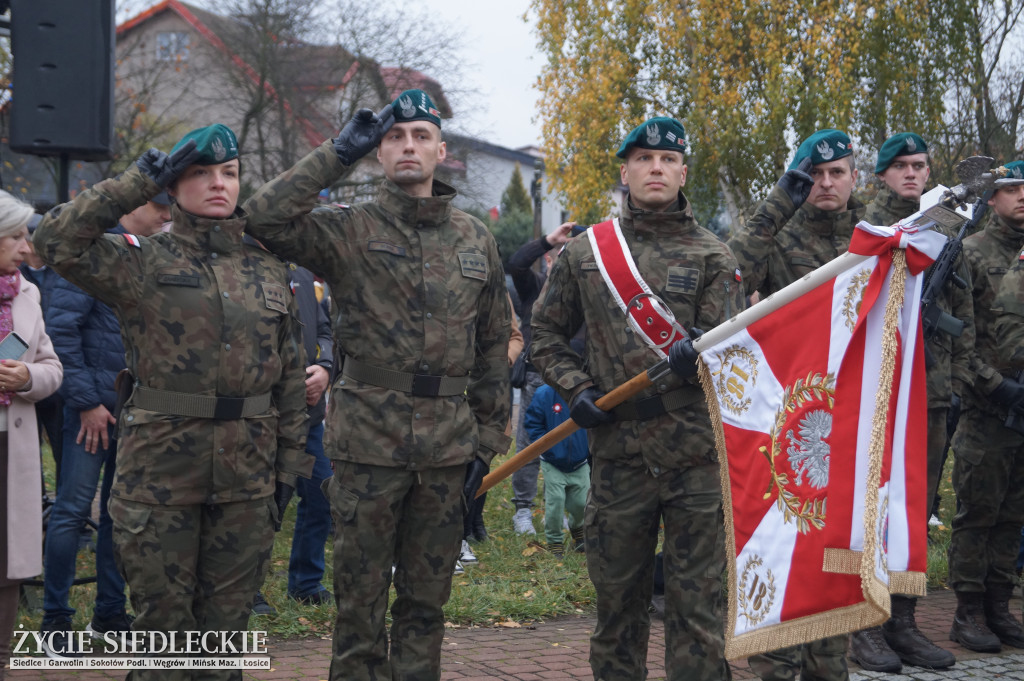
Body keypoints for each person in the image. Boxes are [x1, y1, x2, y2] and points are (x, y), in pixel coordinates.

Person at [242, 90, 511, 681]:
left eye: (420, 136)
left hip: (446, 450)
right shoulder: (348, 229)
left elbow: (494, 346)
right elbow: (262, 217)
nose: (407, 146)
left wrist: (486, 443)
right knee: (358, 608)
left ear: (442, 151)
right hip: (367, 449)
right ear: (378, 153)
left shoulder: (474, 238)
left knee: (426, 604)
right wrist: (336, 152)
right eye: (395, 137)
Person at [34, 123, 312, 676]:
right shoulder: (140, 260)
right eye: (200, 174)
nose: (218, 184)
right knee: (162, 637)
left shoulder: (266, 267)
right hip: (160, 477)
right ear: (172, 186)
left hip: (247, 478)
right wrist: (139, 180)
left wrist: (288, 469)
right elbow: (54, 242)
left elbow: (288, 379)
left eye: (228, 174)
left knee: (225, 640)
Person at [531, 116, 743, 680]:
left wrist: (703, 357)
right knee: (618, 609)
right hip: (619, 455)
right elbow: (544, 336)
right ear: (625, 172)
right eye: (644, 158)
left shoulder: (713, 255)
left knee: (698, 611)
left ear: (683, 172)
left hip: (696, 458)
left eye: (668, 159)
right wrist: (575, 390)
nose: (656, 167)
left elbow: (736, 359)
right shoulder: (587, 253)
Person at [728, 128, 864, 681]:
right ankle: (776, 666)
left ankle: (832, 667)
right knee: (784, 549)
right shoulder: (778, 238)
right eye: (815, 175)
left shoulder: (874, 238)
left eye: (837, 173)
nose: (827, 183)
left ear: (856, 178)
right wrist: (778, 204)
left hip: (852, 422)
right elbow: (731, 277)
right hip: (786, 423)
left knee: (838, 557)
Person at [848, 133, 964, 672]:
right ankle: (865, 625)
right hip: (875, 397)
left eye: (920, 165)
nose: (912, 174)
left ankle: (904, 623)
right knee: (870, 512)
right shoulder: (869, 232)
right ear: (881, 175)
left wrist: (957, 381)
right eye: (901, 167)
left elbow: (966, 319)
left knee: (915, 512)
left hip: (931, 394)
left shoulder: (943, 230)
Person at [38, 192, 171, 654]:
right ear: (132, 207)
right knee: (73, 511)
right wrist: (87, 402)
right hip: (90, 414)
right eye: (160, 207)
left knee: (120, 514)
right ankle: (55, 623)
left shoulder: (146, 257)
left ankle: (109, 617)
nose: (167, 217)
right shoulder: (93, 255)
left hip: (133, 411)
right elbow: (60, 332)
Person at [947, 159, 1024, 653]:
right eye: (1012, 189)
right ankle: (968, 612)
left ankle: (1000, 605)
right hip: (988, 409)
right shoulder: (971, 252)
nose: (1022, 197)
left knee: (1014, 514)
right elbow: (961, 338)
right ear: (992, 198)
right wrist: (996, 387)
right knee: (977, 513)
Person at [0, 191, 64, 679]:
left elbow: (51, 368)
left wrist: (28, 380)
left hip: (12, 447)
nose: (27, 248)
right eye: (18, 236)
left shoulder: (28, 293)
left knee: (8, 563)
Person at [505, 221, 575, 535]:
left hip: (573, 381)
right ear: (549, 260)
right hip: (537, 378)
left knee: (570, 448)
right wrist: (550, 240)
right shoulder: (534, 286)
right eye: (562, 255)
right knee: (529, 446)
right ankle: (522, 509)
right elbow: (517, 263)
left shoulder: (586, 292)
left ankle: (558, 508)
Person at [285, 262, 335, 605]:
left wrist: (325, 368)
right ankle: (249, 588)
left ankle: (305, 584)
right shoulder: (242, 267)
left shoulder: (302, 274)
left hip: (308, 419)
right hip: (264, 420)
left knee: (320, 494)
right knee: (261, 506)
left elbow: (324, 332)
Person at [20, 212, 66, 484]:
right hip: (21, 377)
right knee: (27, 450)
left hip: (56, 379)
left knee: (61, 445)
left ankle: (56, 503)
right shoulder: (14, 278)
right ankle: (36, 499)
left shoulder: (62, 274)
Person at [523, 381, 589, 556]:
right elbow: (533, 423)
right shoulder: (544, 393)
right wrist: (546, 447)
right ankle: (555, 541)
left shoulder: (585, 392)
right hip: (553, 462)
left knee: (581, 502)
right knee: (556, 502)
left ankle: (579, 532)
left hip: (580, 462)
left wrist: (588, 448)